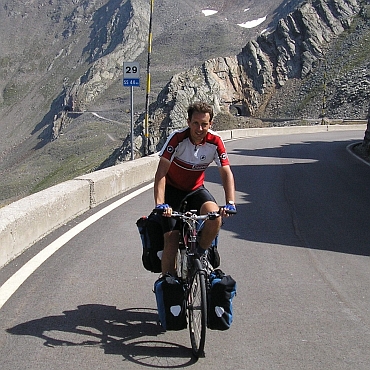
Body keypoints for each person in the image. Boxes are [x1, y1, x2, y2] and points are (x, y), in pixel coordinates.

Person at [154, 101, 236, 275]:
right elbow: (161, 172)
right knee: (171, 240)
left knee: (215, 218)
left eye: (204, 124)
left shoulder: (215, 141)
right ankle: (170, 285)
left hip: (196, 190)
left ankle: (198, 255)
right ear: (188, 122)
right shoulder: (177, 138)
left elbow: (226, 172)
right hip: (173, 191)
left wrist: (230, 202)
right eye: (196, 123)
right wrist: (160, 203)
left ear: (211, 124)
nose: (200, 128)